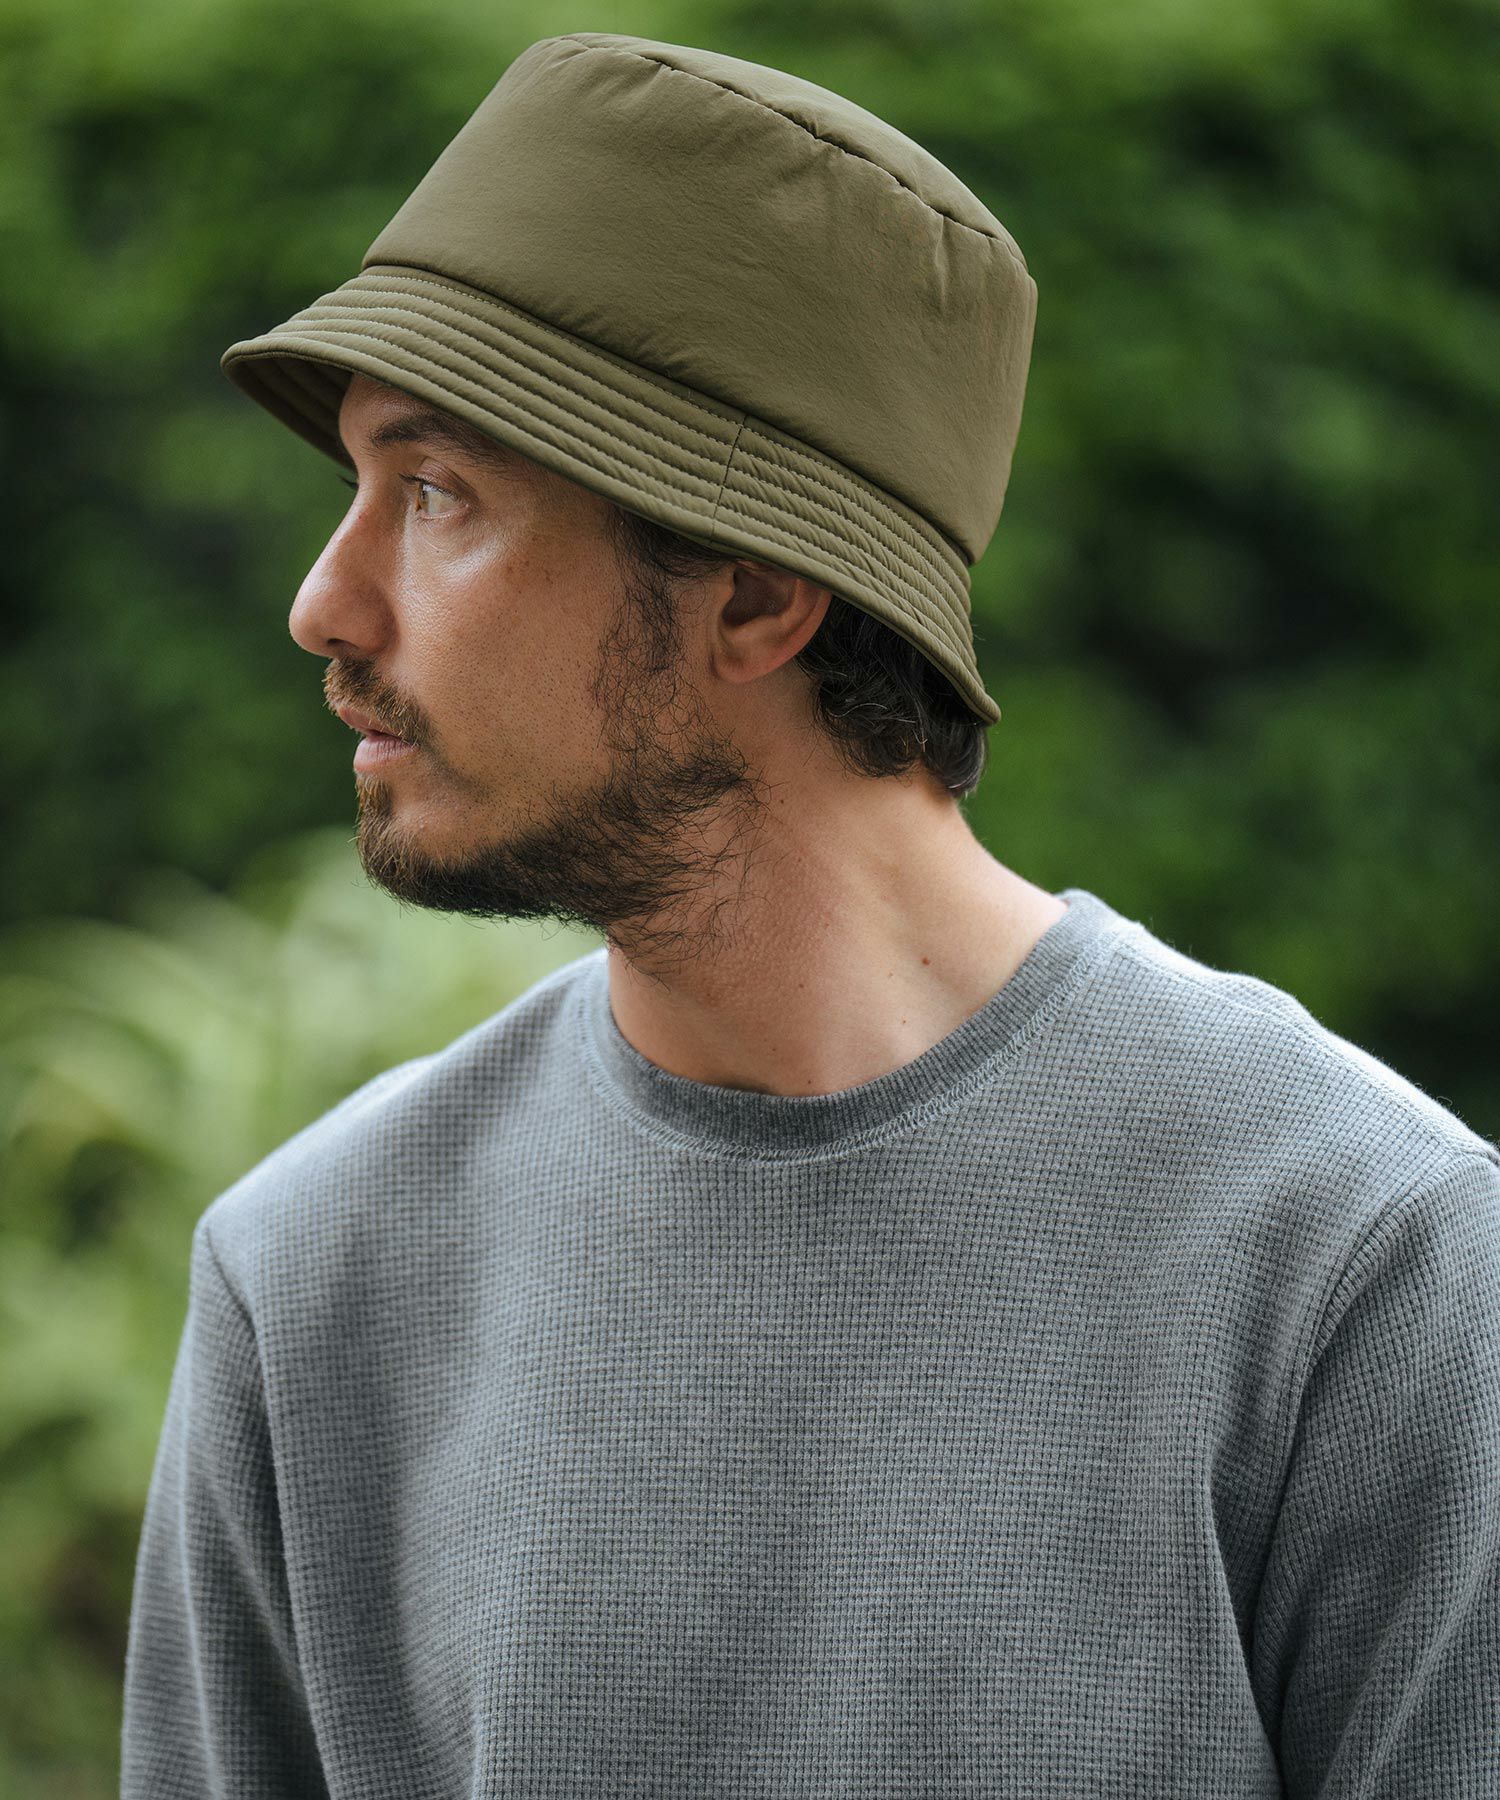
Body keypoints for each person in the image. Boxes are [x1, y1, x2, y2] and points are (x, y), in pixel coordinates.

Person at [121, 33, 1500, 1800]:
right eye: (356, 490)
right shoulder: (312, 1282)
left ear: (760, 597)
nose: (326, 605)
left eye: (438, 491)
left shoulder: (1357, 1260)